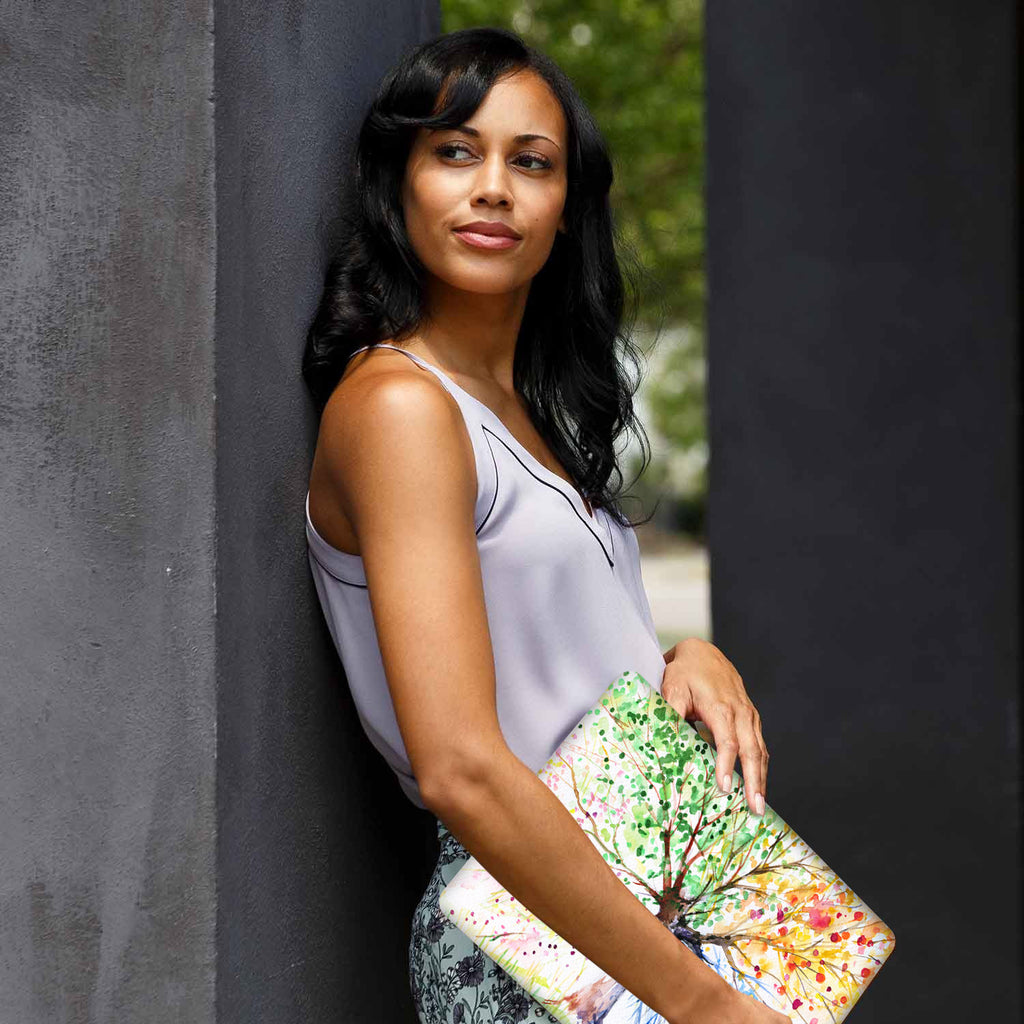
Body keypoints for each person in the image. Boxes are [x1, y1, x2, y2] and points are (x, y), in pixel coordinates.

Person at [302, 26, 784, 1024]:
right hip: (545, 932)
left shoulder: (524, 414)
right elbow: (462, 764)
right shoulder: (401, 407)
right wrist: (701, 1003)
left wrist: (683, 661)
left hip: (668, 868)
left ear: (565, 211)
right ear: (397, 185)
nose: (492, 188)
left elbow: (552, 660)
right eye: (454, 152)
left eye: (531, 162)